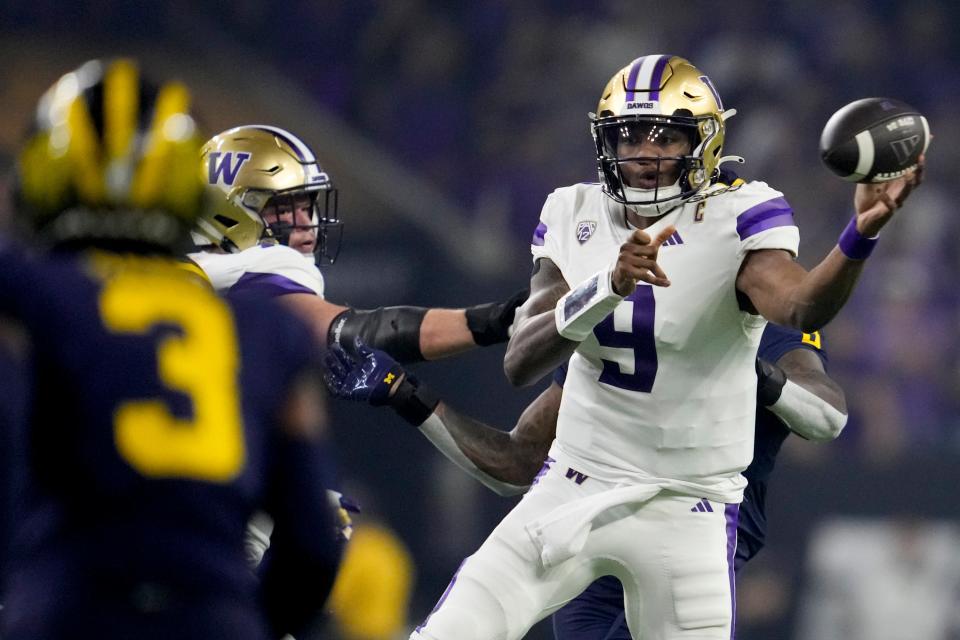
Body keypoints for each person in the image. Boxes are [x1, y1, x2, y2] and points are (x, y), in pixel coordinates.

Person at [370, 53, 920, 640]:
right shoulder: (572, 210)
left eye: (668, 137)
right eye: (629, 135)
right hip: (575, 484)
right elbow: (520, 361)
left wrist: (859, 235)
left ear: (703, 144)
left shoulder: (738, 215)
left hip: (690, 507)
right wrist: (606, 287)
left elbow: (803, 307)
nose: (646, 154)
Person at [0, 58, 341, 640]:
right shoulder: (264, 326)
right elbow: (312, 544)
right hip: (214, 615)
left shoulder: (32, 296)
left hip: (64, 610)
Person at [326, 320, 844, 638]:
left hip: (695, 545)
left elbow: (826, 412)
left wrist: (749, 370)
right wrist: (403, 391)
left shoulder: (765, 316)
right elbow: (519, 460)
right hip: (590, 534)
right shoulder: (620, 322)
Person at [188, 124, 525, 364]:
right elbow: (348, 331)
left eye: (307, 205)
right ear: (229, 210)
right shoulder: (266, 265)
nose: (307, 223)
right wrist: (491, 321)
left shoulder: (181, 271)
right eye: (282, 208)